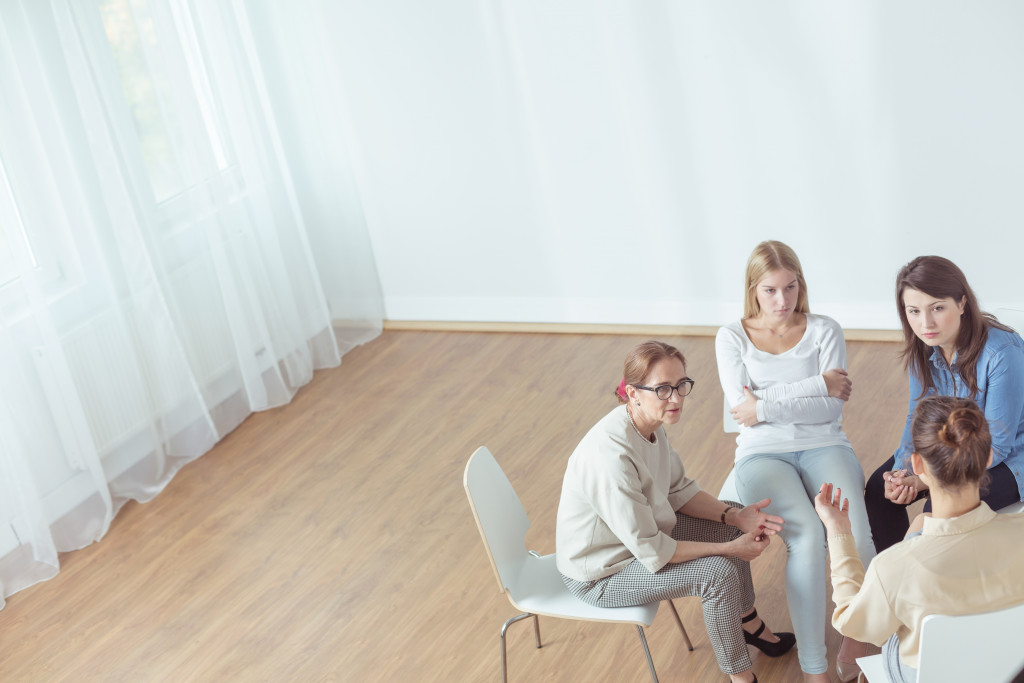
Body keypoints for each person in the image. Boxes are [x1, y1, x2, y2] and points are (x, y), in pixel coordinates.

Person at [556, 340, 795, 683]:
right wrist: (729, 550)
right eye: (664, 389)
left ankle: (748, 623)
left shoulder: (649, 424)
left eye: (682, 385)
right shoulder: (611, 459)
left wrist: (735, 518)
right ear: (632, 392)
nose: (677, 398)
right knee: (718, 573)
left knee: (734, 520)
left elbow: (679, 491)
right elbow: (652, 549)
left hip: (641, 539)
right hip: (602, 574)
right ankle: (742, 678)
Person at [715, 240, 875, 682]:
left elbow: (828, 409)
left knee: (857, 535)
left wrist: (763, 406)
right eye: (770, 290)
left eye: (790, 287)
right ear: (753, 289)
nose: (782, 300)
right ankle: (814, 669)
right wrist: (817, 383)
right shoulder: (731, 337)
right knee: (806, 537)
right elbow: (737, 410)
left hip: (825, 442)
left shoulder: (825, 329)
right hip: (760, 452)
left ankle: (861, 643)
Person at [815, 396, 1024, 683]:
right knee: (921, 522)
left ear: (917, 465)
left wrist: (838, 531)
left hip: (926, 675)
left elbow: (852, 623)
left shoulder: (894, 567)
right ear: (988, 458)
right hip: (1007, 669)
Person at [864, 255, 1024, 552]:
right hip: (951, 449)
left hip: (1009, 459)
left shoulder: (1003, 352)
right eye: (914, 311)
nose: (925, 323)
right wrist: (903, 473)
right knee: (879, 491)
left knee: (935, 517)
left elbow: (997, 446)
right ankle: (898, 581)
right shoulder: (923, 348)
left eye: (937, 308)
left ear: (962, 303)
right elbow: (917, 416)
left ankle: (923, 582)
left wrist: (927, 480)